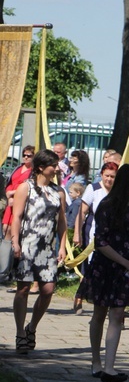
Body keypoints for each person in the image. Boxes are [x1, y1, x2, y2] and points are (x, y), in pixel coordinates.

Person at [76, 164, 129, 382]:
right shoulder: (106, 205)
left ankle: (110, 367)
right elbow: (100, 242)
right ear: (128, 181)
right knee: (99, 313)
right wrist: (124, 261)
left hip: (124, 268)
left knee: (117, 314)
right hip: (105, 266)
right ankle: (96, 360)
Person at [10, 149, 67, 354]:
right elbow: (16, 216)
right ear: (42, 167)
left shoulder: (58, 191)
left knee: (48, 290)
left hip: (48, 247)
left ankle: (31, 327)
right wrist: (16, 242)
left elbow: (62, 221)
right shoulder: (26, 188)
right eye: (53, 164)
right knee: (23, 289)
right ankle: (19, 332)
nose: (57, 168)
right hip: (28, 245)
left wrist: (62, 246)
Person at [72, 162, 119, 315]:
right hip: (93, 234)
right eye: (107, 176)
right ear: (102, 175)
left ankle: (104, 301)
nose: (109, 180)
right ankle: (79, 297)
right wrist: (78, 234)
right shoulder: (94, 189)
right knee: (89, 268)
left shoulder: (118, 191)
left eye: (113, 176)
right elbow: (82, 212)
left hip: (111, 237)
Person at [3, 145, 34, 237]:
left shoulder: (33, 171)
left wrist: (13, 193)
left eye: (29, 156)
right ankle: (5, 250)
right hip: (10, 201)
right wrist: (8, 195)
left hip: (20, 201)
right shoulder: (18, 168)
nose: (26, 157)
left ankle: (12, 250)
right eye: (24, 155)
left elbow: (30, 187)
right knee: (5, 228)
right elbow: (10, 183)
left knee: (13, 230)